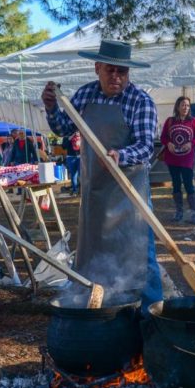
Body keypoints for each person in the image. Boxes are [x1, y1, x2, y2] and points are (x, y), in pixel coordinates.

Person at [41, 39, 162, 314]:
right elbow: (63, 128)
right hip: (95, 191)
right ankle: (101, 310)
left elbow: (145, 147)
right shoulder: (86, 95)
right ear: (97, 68)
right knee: (94, 252)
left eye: (122, 72)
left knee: (140, 256)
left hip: (130, 195)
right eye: (110, 71)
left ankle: (149, 316)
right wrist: (51, 108)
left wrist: (121, 155)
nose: (116, 77)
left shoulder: (140, 101)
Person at [161, 96, 195, 223]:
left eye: (188, 105)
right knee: (176, 184)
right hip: (172, 158)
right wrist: (168, 143)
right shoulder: (170, 121)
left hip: (187, 159)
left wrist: (191, 143)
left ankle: (193, 213)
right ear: (177, 107)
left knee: (189, 184)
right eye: (183, 105)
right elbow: (163, 137)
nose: (186, 108)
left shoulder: (194, 121)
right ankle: (179, 212)